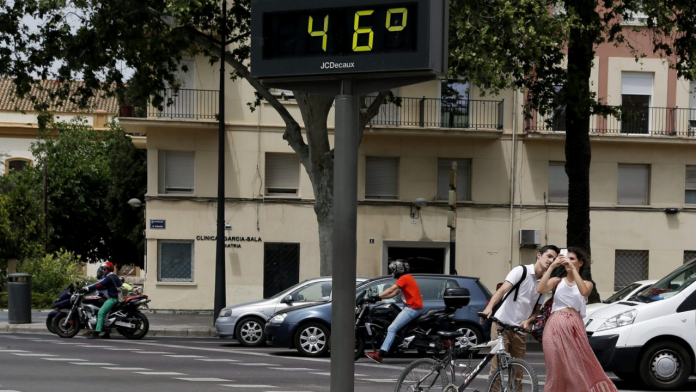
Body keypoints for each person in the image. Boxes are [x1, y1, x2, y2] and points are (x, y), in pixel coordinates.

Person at [537, 247, 617, 392]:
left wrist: (573, 269)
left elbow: (584, 291)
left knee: (576, 367)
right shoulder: (557, 281)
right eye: (567, 258)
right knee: (555, 368)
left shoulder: (587, 283)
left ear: (580, 263)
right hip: (554, 326)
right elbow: (541, 289)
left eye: (572, 259)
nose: (568, 261)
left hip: (574, 327)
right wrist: (553, 266)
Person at [479, 245, 560, 385]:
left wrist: (529, 321)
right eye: (549, 256)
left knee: (518, 373)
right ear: (539, 255)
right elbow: (502, 290)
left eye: (554, 258)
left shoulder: (545, 282)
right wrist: (489, 307)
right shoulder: (521, 271)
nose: (551, 260)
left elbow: (537, 309)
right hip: (501, 325)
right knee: (497, 370)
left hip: (520, 330)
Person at [365, 260, 423, 364]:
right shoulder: (406, 278)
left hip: (412, 308)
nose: (392, 272)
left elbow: (392, 289)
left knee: (392, 328)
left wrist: (377, 296)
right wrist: (378, 298)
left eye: (393, 270)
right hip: (411, 308)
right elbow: (394, 293)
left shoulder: (404, 278)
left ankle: (380, 355)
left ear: (398, 269)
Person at [79, 261, 122, 339]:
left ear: (109, 269)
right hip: (114, 298)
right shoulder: (113, 276)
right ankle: (107, 333)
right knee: (106, 314)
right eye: (102, 269)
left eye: (104, 269)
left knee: (101, 313)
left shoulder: (109, 277)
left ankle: (96, 333)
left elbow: (99, 284)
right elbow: (102, 285)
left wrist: (86, 288)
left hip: (113, 299)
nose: (102, 270)